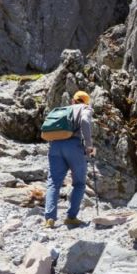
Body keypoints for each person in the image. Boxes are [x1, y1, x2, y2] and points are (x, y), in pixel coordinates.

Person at [44, 90, 94, 228]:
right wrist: (89, 145)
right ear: (86, 102)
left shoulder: (63, 110)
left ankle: (50, 219)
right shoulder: (85, 108)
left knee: (53, 182)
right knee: (79, 183)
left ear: (73, 100)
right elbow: (84, 120)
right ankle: (71, 217)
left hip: (55, 145)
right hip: (74, 146)